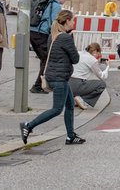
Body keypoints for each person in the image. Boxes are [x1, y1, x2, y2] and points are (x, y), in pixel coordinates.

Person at [20, 10, 85, 145]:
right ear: (67, 21)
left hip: (56, 75)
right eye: (73, 20)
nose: (74, 23)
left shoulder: (53, 35)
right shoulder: (65, 38)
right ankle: (28, 125)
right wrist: (71, 39)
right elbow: (75, 59)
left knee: (70, 106)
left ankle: (70, 136)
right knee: (56, 109)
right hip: (59, 78)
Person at [29, 0, 67, 94]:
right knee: (46, 59)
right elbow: (53, 23)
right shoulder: (56, 5)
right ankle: (37, 86)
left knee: (44, 59)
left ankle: (41, 84)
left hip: (33, 32)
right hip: (41, 34)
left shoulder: (48, 2)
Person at [70, 42, 109, 109]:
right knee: (102, 84)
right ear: (95, 51)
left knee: (86, 81)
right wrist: (107, 66)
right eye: (99, 53)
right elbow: (102, 76)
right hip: (77, 85)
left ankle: (75, 100)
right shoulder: (92, 59)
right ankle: (82, 99)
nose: (98, 55)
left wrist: (97, 63)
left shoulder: (78, 53)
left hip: (68, 83)